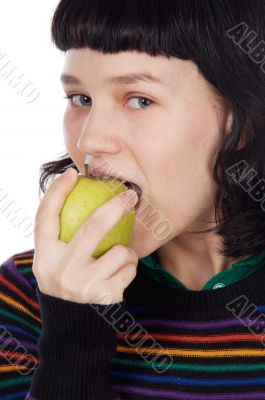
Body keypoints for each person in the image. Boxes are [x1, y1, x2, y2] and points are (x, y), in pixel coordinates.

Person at [1, 0, 265, 398]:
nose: (89, 141)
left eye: (139, 99)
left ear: (240, 121)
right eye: (80, 99)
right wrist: (74, 326)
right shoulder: (23, 297)